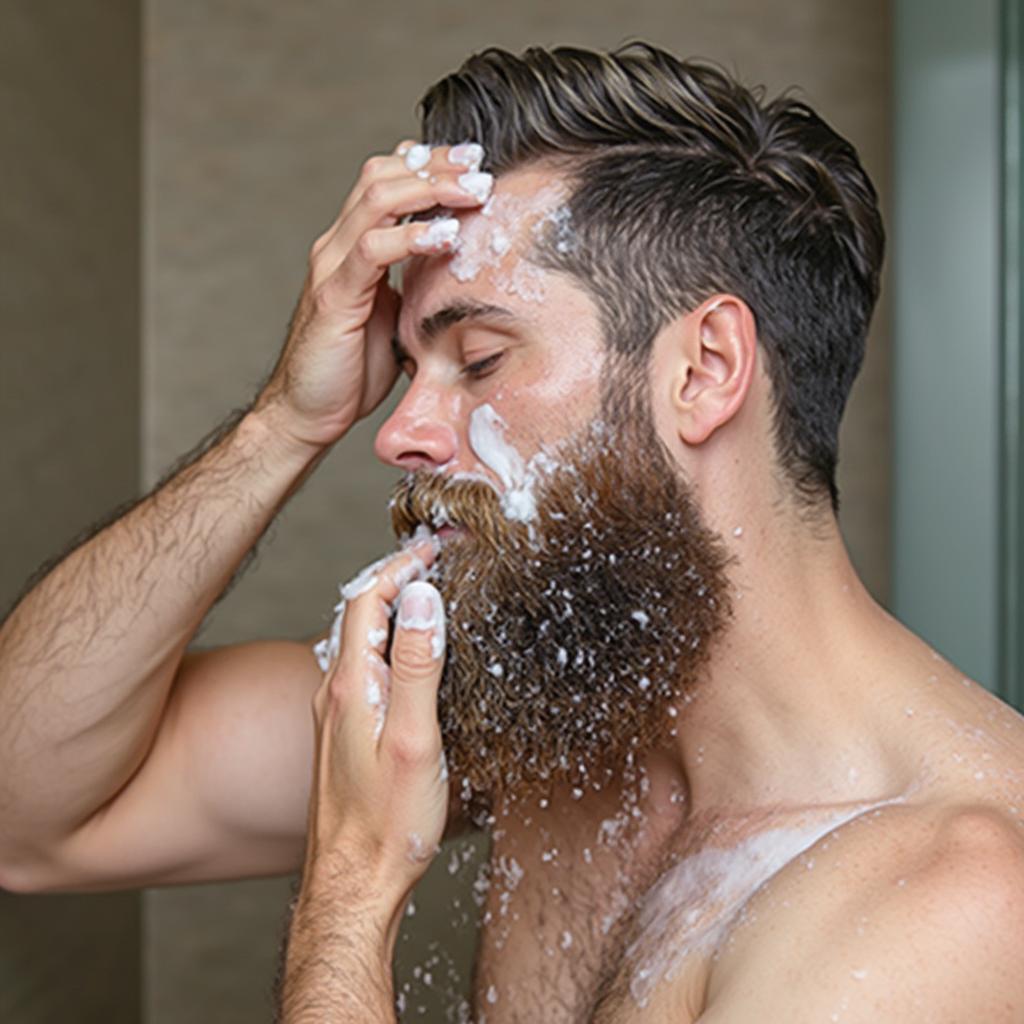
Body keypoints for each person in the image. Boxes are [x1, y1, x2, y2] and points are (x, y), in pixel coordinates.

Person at [2, 42, 1023, 1022]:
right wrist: (284, 421)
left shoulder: (952, 900)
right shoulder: (555, 725)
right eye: (407, 375)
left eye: (480, 360)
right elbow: (26, 812)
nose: (396, 433)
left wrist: (349, 897)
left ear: (704, 369)